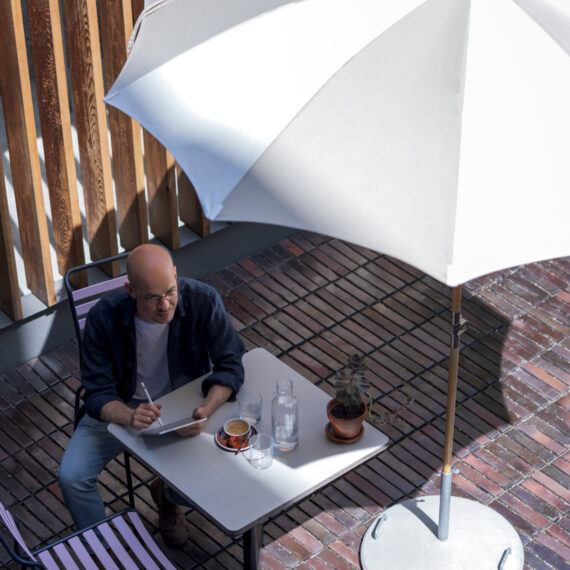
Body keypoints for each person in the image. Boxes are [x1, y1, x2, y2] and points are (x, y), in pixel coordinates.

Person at [58, 244, 245, 546]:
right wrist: (130, 415)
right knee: (72, 476)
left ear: (175, 274)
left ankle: (168, 495)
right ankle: (101, 548)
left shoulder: (203, 299)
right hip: (121, 406)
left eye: (171, 291)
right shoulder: (102, 317)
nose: (165, 306)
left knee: (234, 471)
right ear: (130, 290)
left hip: (185, 401)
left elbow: (232, 363)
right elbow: (96, 394)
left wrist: (205, 409)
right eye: (152, 298)